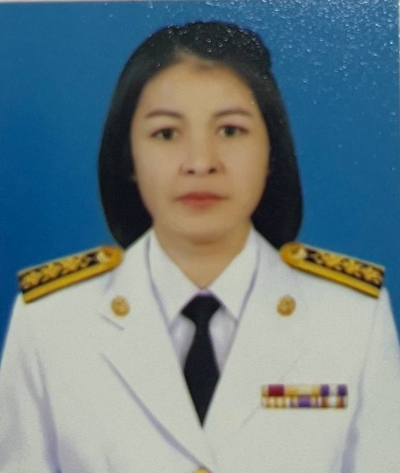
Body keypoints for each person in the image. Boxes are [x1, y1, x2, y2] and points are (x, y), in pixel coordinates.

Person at [0, 21, 399, 473]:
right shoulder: (51, 324)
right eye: (166, 134)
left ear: (271, 151)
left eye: (230, 130)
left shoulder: (353, 321)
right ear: (129, 156)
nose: (200, 163)